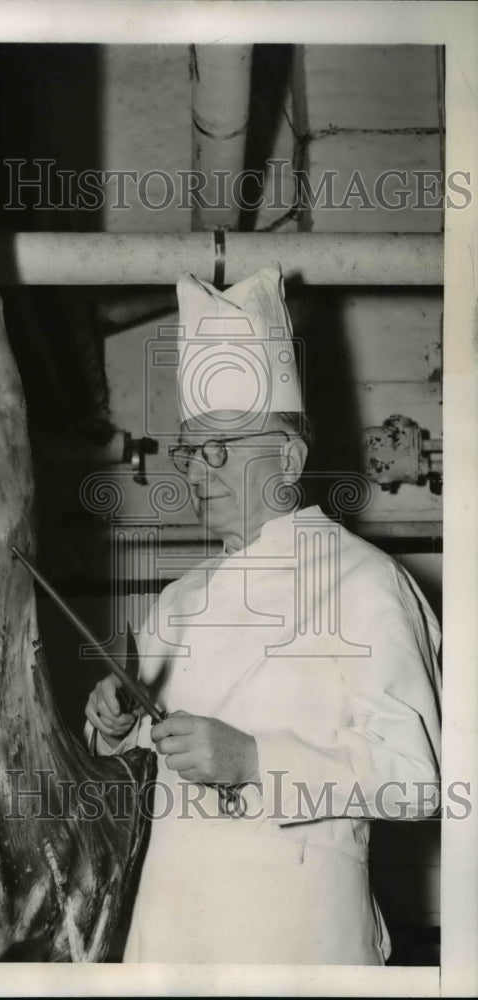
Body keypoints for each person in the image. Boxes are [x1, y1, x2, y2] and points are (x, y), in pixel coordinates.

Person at [84, 265, 441, 964]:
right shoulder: (177, 599)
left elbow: (415, 783)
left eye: (220, 449)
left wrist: (253, 760)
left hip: (298, 940)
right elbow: (128, 753)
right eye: (190, 450)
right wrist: (114, 726)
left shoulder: (365, 582)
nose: (196, 471)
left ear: (290, 456)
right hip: (170, 932)